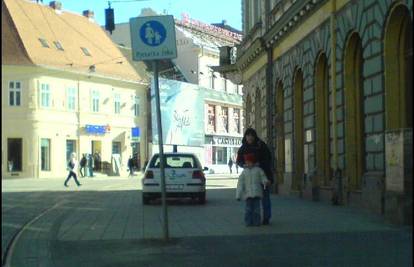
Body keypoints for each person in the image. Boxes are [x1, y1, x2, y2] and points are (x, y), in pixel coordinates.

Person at [236, 127, 274, 225]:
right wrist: (243, 165)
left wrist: (259, 164)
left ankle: (266, 217)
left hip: (262, 174)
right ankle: (251, 220)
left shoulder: (261, 145)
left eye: (252, 135)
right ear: (245, 137)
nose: (250, 137)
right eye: (248, 135)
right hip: (250, 178)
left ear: (254, 136)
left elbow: (268, 159)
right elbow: (239, 161)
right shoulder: (243, 148)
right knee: (251, 200)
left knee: (265, 197)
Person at [236, 153, 269, 226]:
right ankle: (248, 222)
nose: (248, 163)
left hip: (257, 193)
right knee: (248, 209)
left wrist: (265, 181)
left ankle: (257, 222)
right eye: (246, 162)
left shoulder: (258, 170)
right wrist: (238, 195)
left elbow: (263, 177)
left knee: (257, 210)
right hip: (248, 195)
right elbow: (240, 184)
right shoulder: (244, 172)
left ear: (253, 162)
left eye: (249, 162)